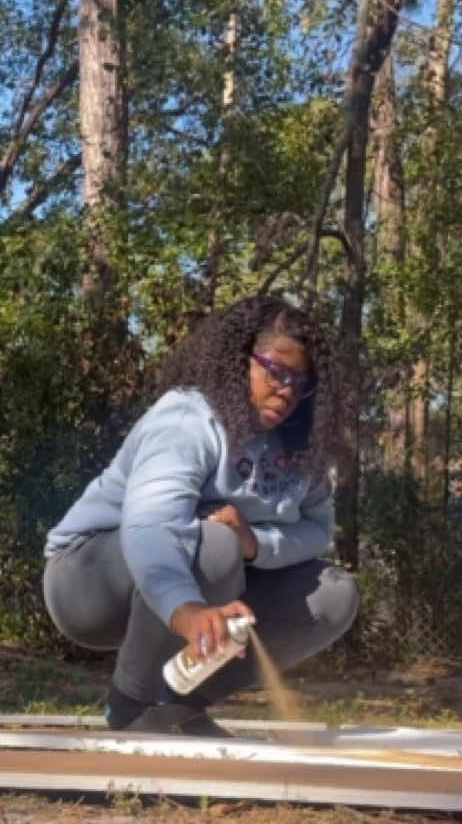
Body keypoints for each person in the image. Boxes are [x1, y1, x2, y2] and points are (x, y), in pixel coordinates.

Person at [43, 294, 358, 735]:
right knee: (215, 542)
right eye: (277, 371)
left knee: (333, 595)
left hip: (207, 576)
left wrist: (257, 544)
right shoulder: (188, 417)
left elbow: (317, 529)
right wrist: (185, 608)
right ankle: (131, 705)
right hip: (89, 580)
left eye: (301, 382)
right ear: (240, 360)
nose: (287, 390)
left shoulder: (299, 445)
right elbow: (150, 523)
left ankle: (174, 704)